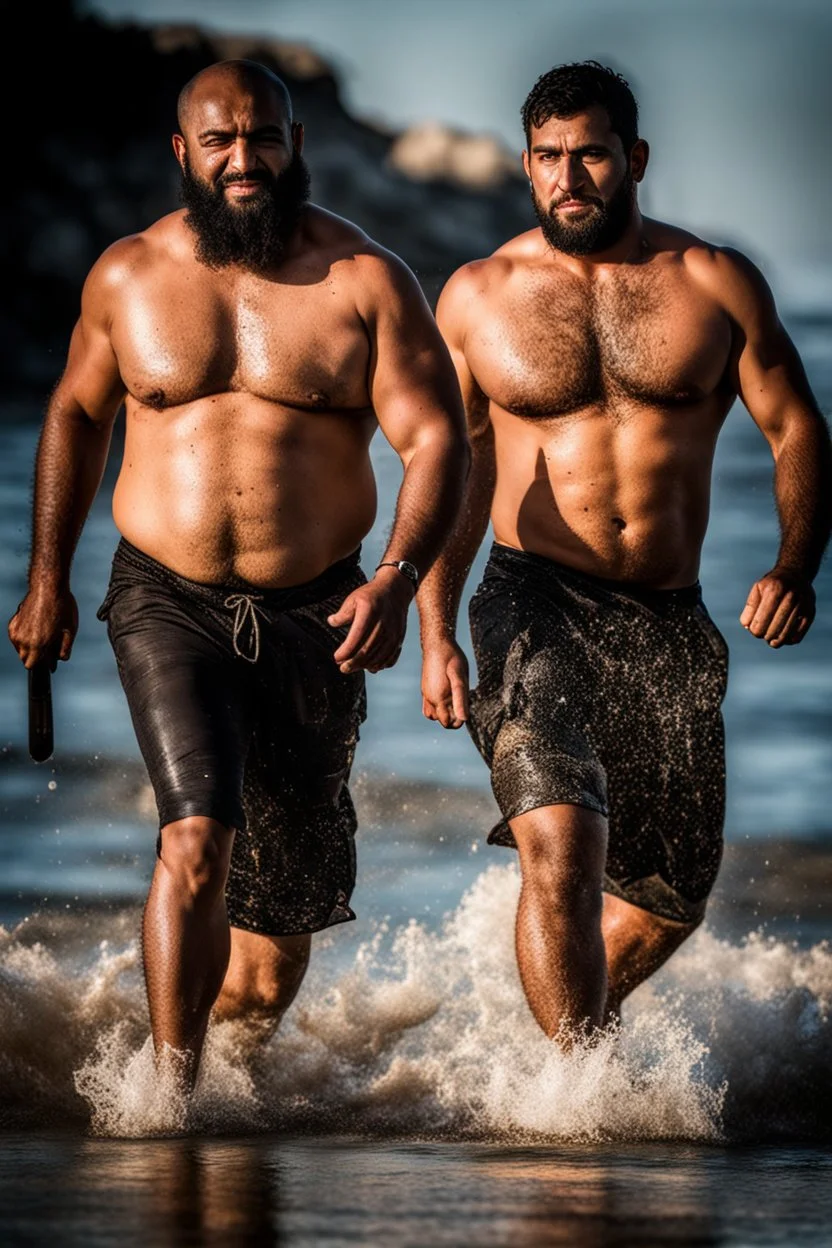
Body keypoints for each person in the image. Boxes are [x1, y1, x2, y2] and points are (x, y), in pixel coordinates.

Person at [8, 59, 468, 1088]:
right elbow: (77, 415)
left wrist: (395, 578)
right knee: (196, 839)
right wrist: (48, 577)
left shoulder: (364, 281)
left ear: (294, 144)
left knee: (273, 936)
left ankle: (234, 1064)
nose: (243, 159)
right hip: (163, 598)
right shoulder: (126, 277)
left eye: (262, 137)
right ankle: (169, 1102)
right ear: (183, 153)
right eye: (219, 141)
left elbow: (440, 441)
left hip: (318, 611)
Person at [418, 61, 832, 1043]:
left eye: (591, 154)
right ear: (526, 165)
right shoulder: (477, 298)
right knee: (559, 844)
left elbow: (797, 429)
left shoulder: (712, 282)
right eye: (549, 158)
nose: (570, 177)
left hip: (666, 615)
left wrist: (793, 563)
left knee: (665, 901)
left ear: (632, 157)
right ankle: (570, 1112)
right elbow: (457, 474)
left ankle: (558, 1049)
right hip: (530, 600)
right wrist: (432, 623)